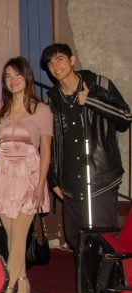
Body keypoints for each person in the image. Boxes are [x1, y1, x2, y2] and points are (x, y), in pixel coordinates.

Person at [40, 43, 131, 254]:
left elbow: (125, 118)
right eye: (50, 63)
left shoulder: (99, 84)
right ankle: (87, 287)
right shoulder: (52, 100)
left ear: (72, 60)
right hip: (70, 182)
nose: (55, 66)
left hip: (100, 177)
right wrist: (53, 179)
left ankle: (105, 286)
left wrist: (92, 101)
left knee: (102, 237)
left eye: (59, 59)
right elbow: (50, 144)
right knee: (76, 237)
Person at [0, 56, 52, 293]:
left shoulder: (42, 110)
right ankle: (23, 282)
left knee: (19, 237)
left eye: (17, 75)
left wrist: (40, 185)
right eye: (7, 77)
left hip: (28, 177)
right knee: (12, 236)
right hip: (3, 177)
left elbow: (46, 151)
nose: (12, 81)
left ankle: (8, 289)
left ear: (27, 77)